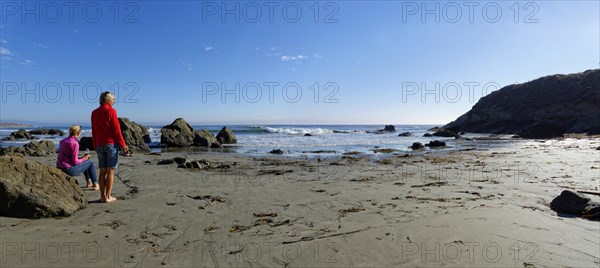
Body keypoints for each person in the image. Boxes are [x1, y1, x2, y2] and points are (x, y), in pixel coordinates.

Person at [91, 92, 129, 203]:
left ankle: (103, 197)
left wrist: (95, 144)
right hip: (111, 144)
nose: (114, 102)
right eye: (113, 99)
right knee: (110, 172)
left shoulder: (94, 113)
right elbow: (116, 130)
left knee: (102, 172)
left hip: (99, 144)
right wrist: (123, 145)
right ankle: (108, 196)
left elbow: (94, 130)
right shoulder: (111, 111)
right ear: (107, 100)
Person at [57, 125, 99, 189]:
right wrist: (83, 158)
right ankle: (95, 184)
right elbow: (75, 162)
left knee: (85, 161)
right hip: (69, 170)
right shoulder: (75, 143)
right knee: (90, 163)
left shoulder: (63, 141)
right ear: (78, 133)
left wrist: (82, 158)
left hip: (60, 167)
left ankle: (89, 182)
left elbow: (67, 157)